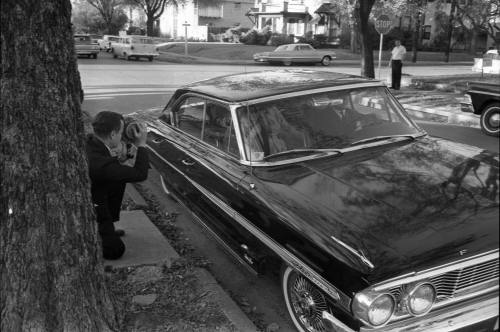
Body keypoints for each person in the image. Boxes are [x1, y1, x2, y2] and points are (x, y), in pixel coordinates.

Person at [86, 111, 149, 260]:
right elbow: (140, 175)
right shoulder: (102, 164)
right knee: (115, 250)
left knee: (119, 181)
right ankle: (93, 234)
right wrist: (141, 145)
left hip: (96, 189)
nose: (122, 136)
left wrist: (122, 157)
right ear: (113, 134)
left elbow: (112, 167)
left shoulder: (90, 141)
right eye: (121, 132)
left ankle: (108, 226)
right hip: (92, 203)